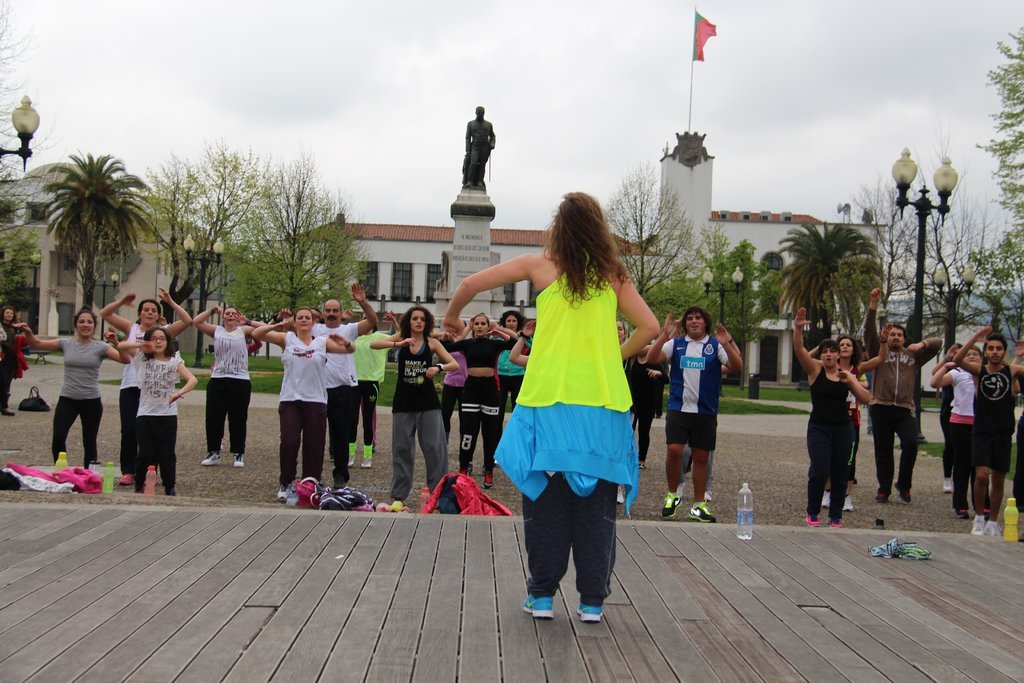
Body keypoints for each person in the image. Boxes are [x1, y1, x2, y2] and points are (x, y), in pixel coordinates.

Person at [443, 191, 659, 624]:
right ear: (598, 228)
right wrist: (612, 355)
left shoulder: (538, 265)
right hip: (602, 406)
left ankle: (541, 596)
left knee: (544, 501)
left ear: (559, 227)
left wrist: (451, 317)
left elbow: (469, 284)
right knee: (598, 507)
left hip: (548, 401)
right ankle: (592, 602)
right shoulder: (613, 274)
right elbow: (650, 327)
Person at [649, 307, 742, 523]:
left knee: (701, 456)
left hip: (705, 410)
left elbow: (737, 367)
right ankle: (672, 495)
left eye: (698, 318)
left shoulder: (714, 345)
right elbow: (652, 358)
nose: (693, 321)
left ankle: (699, 505)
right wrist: (664, 334)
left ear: (705, 322)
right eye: (689, 318)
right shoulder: (677, 344)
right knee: (674, 450)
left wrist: (726, 343)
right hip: (678, 407)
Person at [252, 308, 356, 501]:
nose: (303, 320)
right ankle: (286, 481)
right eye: (300, 318)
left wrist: (346, 342)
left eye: (307, 318)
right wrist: (277, 325)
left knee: (314, 444)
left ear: (313, 322)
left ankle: (311, 482)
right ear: (295, 321)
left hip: (315, 400)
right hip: (290, 399)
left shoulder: (321, 342)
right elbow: (256, 333)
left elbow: (350, 350)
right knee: (289, 442)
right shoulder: (287, 338)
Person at [100, 289, 193, 486]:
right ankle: (128, 471)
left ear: (158, 315)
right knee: (129, 430)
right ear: (140, 313)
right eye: (146, 310)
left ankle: (152, 470)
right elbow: (105, 314)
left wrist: (171, 301)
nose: (149, 313)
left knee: (155, 433)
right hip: (131, 385)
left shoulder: (163, 332)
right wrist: (122, 301)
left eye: (153, 310)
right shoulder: (131, 328)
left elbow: (187, 320)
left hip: (154, 390)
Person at [370, 306, 459, 504]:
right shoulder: (401, 338)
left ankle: (438, 494)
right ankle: (398, 495)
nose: (418, 322)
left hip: (428, 403)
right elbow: (373, 345)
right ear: (408, 321)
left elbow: (455, 364)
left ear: (427, 323)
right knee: (401, 449)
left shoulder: (432, 342)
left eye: (422, 319)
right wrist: (398, 343)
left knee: (434, 449)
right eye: (414, 318)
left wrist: (438, 367)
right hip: (403, 402)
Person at [861, 288, 941, 503]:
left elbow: (938, 344)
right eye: (892, 334)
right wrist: (872, 307)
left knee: (911, 443)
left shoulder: (913, 356)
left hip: (905, 408)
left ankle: (904, 485)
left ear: (905, 339)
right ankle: (884, 488)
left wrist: (922, 344)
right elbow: (868, 332)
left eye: (899, 335)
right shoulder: (879, 351)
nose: (895, 337)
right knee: (883, 449)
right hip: (881, 405)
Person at [15, 311, 127, 466]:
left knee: (89, 440)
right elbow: (37, 344)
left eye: (89, 322)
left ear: (94, 326)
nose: (85, 325)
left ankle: (89, 475)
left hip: (91, 400)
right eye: (82, 321)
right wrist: (28, 332)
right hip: (68, 399)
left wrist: (116, 343)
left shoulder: (101, 347)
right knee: (59, 437)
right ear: (76, 325)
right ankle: (61, 471)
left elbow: (124, 359)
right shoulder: (66, 343)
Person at [792, 308, 871, 527]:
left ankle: (836, 515)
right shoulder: (814, 370)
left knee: (840, 471)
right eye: (824, 351)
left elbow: (866, 398)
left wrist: (852, 382)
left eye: (832, 351)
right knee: (820, 469)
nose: (828, 354)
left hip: (843, 428)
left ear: (838, 355)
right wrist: (798, 328)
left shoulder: (846, 375)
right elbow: (799, 349)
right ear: (821, 354)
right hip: (819, 427)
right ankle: (813, 511)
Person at [952, 327, 1024, 537]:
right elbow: (957, 359)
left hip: (1003, 432)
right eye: (990, 348)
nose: (994, 352)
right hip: (982, 431)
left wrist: (1020, 356)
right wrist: (975, 337)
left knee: (999, 479)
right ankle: (979, 517)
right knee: (982, 476)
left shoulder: (1011, 371)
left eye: (999, 349)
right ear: (986, 351)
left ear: (1004, 352)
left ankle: (993, 521)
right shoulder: (979, 370)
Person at [111, 327, 198, 495]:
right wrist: (142, 345)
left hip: (167, 414)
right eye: (154, 339)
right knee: (145, 452)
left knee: (167, 453)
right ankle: (139, 484)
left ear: (168, 342)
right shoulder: (141, 358)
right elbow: (121, 346)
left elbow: (192, 380)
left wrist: (178, 393)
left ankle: (169, 487)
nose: (158, 342)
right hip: (145, 414)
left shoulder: (174, 360)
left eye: (162, 339)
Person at [313, 284, 378, 487]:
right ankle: (312, 474)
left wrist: (362, 302)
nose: (331, 314)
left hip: (344, 388)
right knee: (315, 434)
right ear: (322, 313)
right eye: (328, 310)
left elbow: (372, 321)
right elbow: (291, 326)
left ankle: (340, 475)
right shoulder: (314, 329)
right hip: (317, 388)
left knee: (341, 433)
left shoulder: (348, 330)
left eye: (335, 311)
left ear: (342, 313)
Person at [443, 313, 516, 488]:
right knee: (468, 432)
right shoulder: (468, 344)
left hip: (490, 391)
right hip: (471, 391)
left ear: (487, 326)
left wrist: (498, 331)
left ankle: (488, 470)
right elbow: (449, 347)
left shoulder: (494, 344)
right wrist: (466, 328)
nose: (481, 326)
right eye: (477, 324)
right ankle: (463, 468)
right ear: (474, 326)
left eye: (483, 323)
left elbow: (513, 343)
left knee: (489, 434)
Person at [193, 305, 258, 468]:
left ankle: (238, 453)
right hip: (218, 378)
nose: (230, 316)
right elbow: (197, 321)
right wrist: (211, 312)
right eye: (227, 313)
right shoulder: (217, 330)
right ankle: (214, 452)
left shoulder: (244, 330)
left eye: (233, 314)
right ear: (223, 318)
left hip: (240, 380)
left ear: (238, 317)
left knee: (238, 418)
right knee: (214, 417)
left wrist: (247, 321)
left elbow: (264, 329)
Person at [930, 346, 982, 520]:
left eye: (975, 354)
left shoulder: (986, 374)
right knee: (962, 463)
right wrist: (946, 365)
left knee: (979, 466)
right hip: (960, 422)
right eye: (968, 355)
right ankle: (960, 505)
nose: (972, 357)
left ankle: (982, 504)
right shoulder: (958, 373)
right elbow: (935, 383)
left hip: (981, 424)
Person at [347, 324, 391, 470]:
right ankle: (350, 455)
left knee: (367, 420)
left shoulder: (379, 338)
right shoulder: (355, 339)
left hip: (371, 383)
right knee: (352, 420)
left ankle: (367, 456)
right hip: (354, 383)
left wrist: (395, 323)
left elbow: (400, 335)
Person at [628, 342, 666, 470]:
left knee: (644, 431)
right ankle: (627, 456)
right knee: (629, 430)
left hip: (648, 402)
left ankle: (641, 459)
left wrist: (658, 373)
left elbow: (667, 378)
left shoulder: (653, 361)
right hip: (633, 402)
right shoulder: (633, 359)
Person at [934, 343, 962, 494]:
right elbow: (934, 373)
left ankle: (959, 478)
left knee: (962, 446)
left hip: (965, 409)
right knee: (950, 444)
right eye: (954, 353)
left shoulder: (967, 370)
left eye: (960, 353)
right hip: (948, 408)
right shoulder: (949, 368)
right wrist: (946, 358)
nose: (956, 355)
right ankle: (947, 478)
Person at [497, 309, 527, 422]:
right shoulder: (497, 337)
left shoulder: (523, 337)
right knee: (499, 409)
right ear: (504, 323)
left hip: (518, 374)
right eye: (508, 320)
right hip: (501, 375)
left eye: (514, 320)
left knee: (517, 408)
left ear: (518, 322)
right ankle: (497, 438)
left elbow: (531, 344)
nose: (511, 323)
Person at [462, 106, 496, 189]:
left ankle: (479, 181)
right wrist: (468, 149)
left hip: (485, 146)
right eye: (479, 112)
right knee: (473, 163)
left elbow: (492, 136)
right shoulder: (470, 124)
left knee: (482, 164)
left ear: (484, 113)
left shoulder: (488, 124)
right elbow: (467, 137)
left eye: (482, 112)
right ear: (476, 113)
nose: (480, 114)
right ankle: (470, 181)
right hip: (475, 146)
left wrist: (492, 143)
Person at [0, 305, 21, 416]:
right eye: (7, 313)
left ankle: (4, 404)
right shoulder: (1, 326)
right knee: (2, 381)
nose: (9, 315)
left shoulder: (13, 327)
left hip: (11, 357)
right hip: (2, 355)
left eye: (11, 313)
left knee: (7, 381)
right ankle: (4, 407)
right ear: (3, 313)